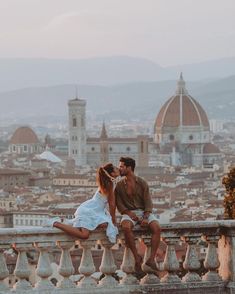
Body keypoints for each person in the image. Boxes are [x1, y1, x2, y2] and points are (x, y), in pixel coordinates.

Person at [43, 163, 120, 243]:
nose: (118, 168)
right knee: (84, 235)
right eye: (115, 168)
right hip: (90, 210)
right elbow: (112, 204)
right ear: (112, 173)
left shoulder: (109, 183)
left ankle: (65, 222)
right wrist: (113, 221)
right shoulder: (110, 184)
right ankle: (55, 223)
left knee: (104, 224)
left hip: (95, 209)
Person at [115, 157, 161, 273]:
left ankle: (151, 259)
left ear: (129, 168)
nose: (119, 169)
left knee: (156, 227)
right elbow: (119, 205)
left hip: (143, 211)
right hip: (128, 212)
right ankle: (137, 257)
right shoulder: (119, 185)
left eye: (121, 166)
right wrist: (130, 214)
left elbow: (148, 203)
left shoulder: (142, 183)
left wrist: (145, 217)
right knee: (126, 226)